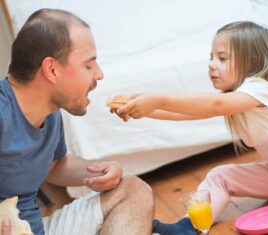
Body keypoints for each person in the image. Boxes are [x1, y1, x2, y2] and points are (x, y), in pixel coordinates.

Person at [114, 21, 268, 235]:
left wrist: (157, 100)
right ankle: (187, 227)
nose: (212, 64)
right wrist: (141, 109)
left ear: (252, 61)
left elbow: (214, 106)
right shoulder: (237, 99)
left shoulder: (261, 88)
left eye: (222, 58)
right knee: (220, 176)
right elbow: (184, 115)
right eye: (211, 57)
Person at [0, 9, 154, 235]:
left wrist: (96, 172)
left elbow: (53, 166)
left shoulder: (50, 112)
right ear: (52, 70)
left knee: (133, 191)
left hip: (35, 228)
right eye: (88, 65)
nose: (99, 74)